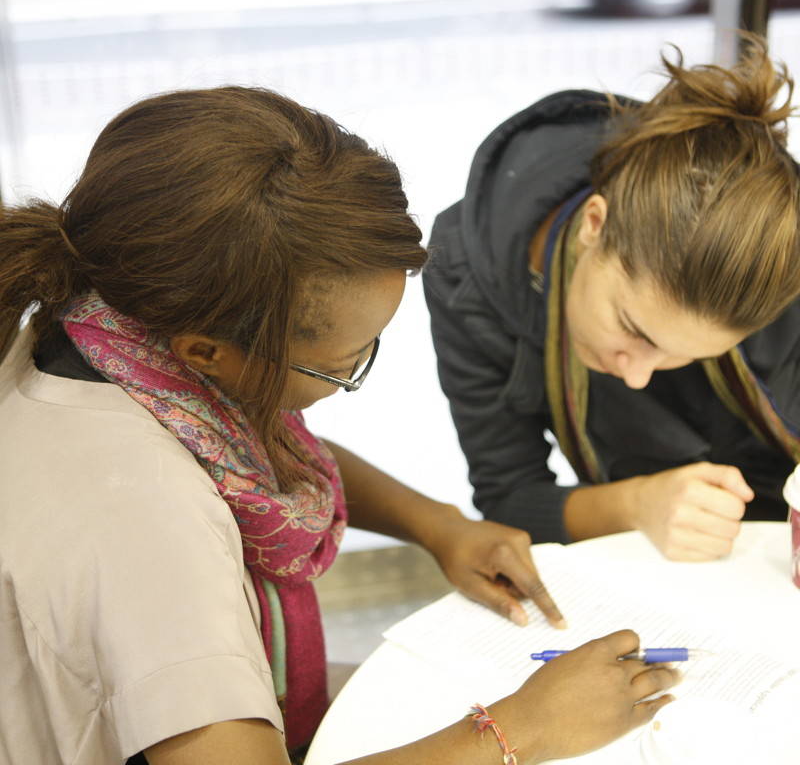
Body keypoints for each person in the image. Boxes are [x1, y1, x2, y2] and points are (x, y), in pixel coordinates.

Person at [0, 87, 678, 764]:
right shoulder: (148, 522)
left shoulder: (105, 327)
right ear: (206, 351)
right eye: (343, 366)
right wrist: (523, 729)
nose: (354, 373)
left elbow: (249, 454)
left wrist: (437, 525)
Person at [423, 38, 800, 563]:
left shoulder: (777, 253)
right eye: (633, 329)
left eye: (686, 354)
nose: (636, 375)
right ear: (595, 224)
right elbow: (509, 497)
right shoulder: (466, 269)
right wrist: (637, 504)